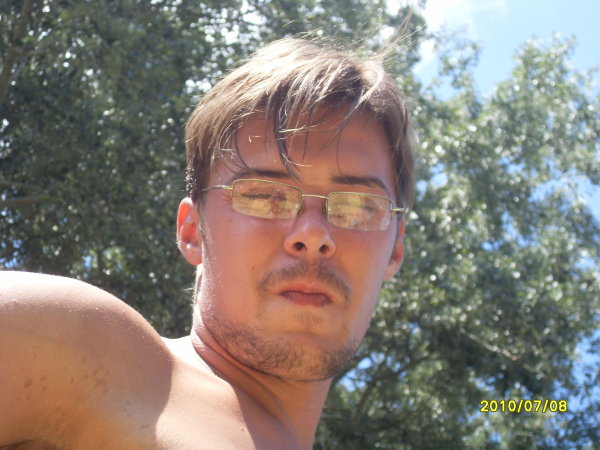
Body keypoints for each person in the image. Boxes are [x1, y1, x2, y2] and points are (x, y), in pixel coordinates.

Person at [0, 37, 415, 449]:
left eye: (359, 207)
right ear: (192, 230)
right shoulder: (84, 353)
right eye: (264, 195)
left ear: (396, 248)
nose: (313, 235)